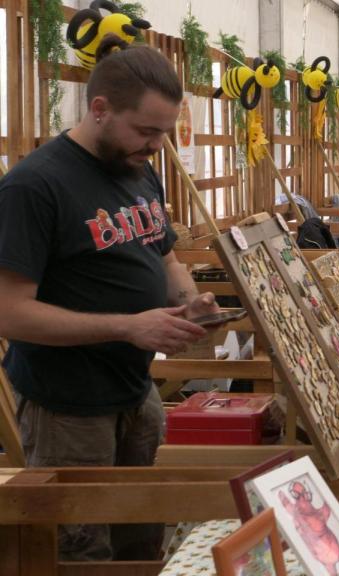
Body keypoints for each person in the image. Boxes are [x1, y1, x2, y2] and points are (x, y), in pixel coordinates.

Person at [0, 37, 218, 561]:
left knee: (143, 545)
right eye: (145, 130)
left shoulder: (138, 171)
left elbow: (163, 257)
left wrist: (191, 302)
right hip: (68, 410)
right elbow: (9, 311)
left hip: (135, 393)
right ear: (99, 110)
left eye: (164, 133)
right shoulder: (35, 186)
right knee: (81, 552)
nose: (156, 145)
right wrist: (127, 326)